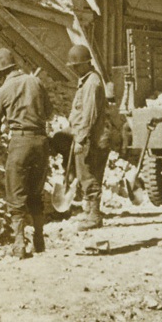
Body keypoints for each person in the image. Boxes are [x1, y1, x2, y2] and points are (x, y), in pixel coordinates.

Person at [0, 47, 52, 258]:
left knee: (16, 193)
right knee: (36, 192)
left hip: (20, 142)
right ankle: (39, 239)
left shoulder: (2, 92)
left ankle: (19, 244)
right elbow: (49, 112)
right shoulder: (36, 82)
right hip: (41, 142)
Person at [68, 44, 109, 231]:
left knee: (89, 175)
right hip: (90, 136)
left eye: (77, 66)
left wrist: (80, 138)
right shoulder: (87, 80)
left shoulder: (92, 83)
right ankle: (92, 211)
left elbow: (89, 114)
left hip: (93, 137)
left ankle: (94, 216)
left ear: (86, 64)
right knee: (88, 174)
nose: (75, 69)